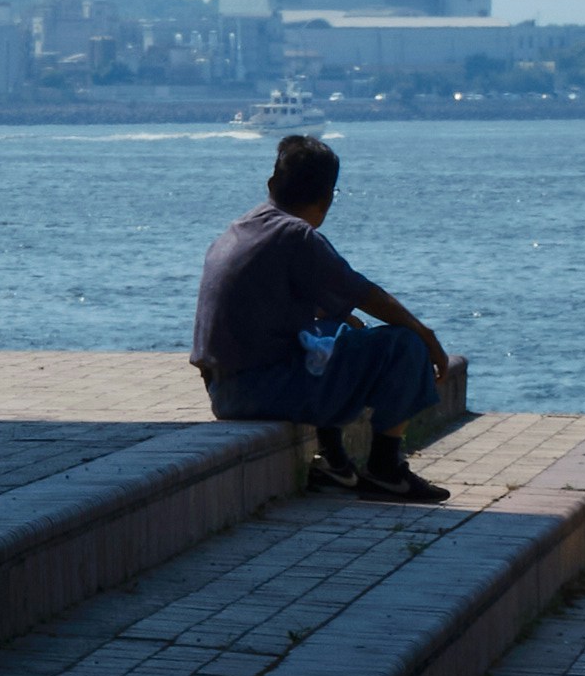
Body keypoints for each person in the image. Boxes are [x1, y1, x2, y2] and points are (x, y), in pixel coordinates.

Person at [191, 133, 453, 499]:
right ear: (328, 198)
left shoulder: (238, 231)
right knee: (403, 345)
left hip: (224, 391)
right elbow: (365, 293)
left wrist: (340, 319)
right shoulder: (296, 235)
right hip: (261, 392)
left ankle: (336, 463)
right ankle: (386, 470)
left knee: (333, 329)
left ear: (271, 185)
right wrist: (426, 336)